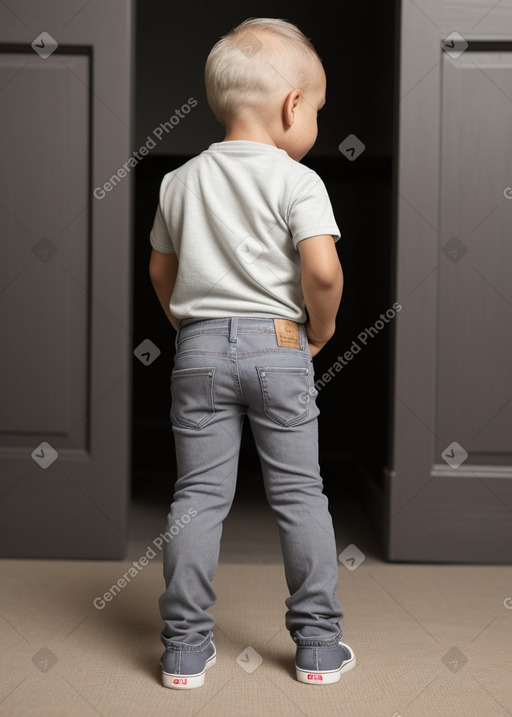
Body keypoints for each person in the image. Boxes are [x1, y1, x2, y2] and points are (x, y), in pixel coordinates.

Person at [148, 17, 355, 689]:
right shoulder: (298, 181)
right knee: (300, 493)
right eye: (317, 110)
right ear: (294, 105)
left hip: (199, 347)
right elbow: (321, 271)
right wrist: (319, 328)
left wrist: (191, 324)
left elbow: (160, 270)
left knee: (199, 495)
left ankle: (183, 650)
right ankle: (319, 646)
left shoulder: (178, 181)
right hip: (281, 346)